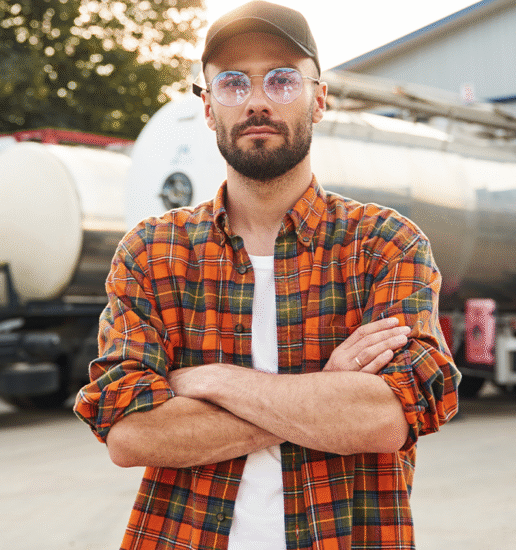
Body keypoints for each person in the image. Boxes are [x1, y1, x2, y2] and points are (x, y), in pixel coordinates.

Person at [74, 2, 460, 548]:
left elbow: (387, 417)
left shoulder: (383, 245)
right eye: (232, 84)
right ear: (208, 108)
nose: (256, 101)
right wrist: (327, 392)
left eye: (281, 80)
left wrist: (211, 381)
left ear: (318, 99)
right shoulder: (153, 252)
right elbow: (131, 433)